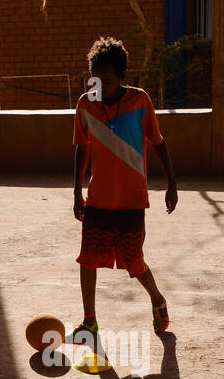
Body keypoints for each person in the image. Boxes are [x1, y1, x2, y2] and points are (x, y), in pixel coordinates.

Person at [72, 36, 178, 338]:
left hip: (132, 200)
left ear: (122, 77)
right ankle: (90, 320)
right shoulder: (85, 104)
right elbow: (81, 147)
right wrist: (77, 191)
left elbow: (158, 142)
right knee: (88, 258)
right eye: (95, 79)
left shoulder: (140, 101)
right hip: (98, 199)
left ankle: (157, 299)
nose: (100, 86)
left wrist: (172, 183)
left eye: (106, 80)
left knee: (134, 261)